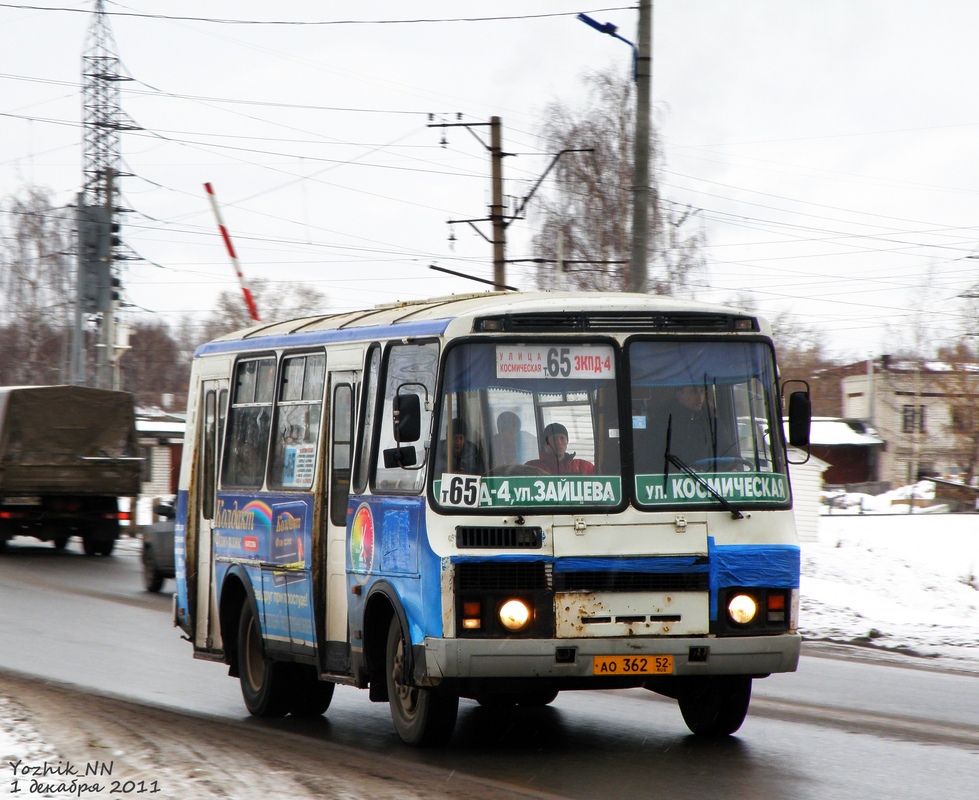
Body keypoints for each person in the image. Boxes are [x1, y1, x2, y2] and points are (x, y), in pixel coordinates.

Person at [525, 422, 595, 475]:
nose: (558, 442)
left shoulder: (584, 467)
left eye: (562, 438)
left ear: (567, 441)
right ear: (545, 444)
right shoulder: (532, 468)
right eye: (553, 439)